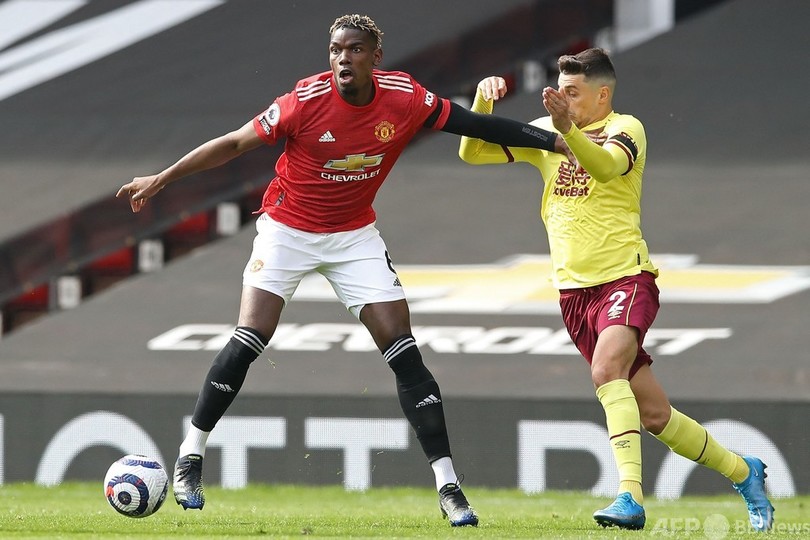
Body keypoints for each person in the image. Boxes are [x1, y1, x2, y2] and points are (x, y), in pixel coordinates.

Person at [116, 14, 571, 528]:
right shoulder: (304, 101)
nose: (342, 59)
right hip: (287, 230)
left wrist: (552, 141)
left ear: (376, 57)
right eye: (335, 50)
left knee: (404, 352)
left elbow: (473, 124)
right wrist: (163, 177)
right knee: (250, 337)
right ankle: (190, 456)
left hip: (353, 237)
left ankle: (449, 486)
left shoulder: (405, 97)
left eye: (354, 49)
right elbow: (235, 143)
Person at [458, 48, 774, 532]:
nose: (563, 100)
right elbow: (472, 152)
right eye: (560, 90)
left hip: (626, 278)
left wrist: (564, 130)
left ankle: (630, 497)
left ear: (602, 94)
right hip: (573, 294)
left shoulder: (626, 128)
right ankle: (743, 472)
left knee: (606, 371)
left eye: (573, 92)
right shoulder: (549, 132)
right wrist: (483, 101)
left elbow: (606, 168)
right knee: (654, 414)